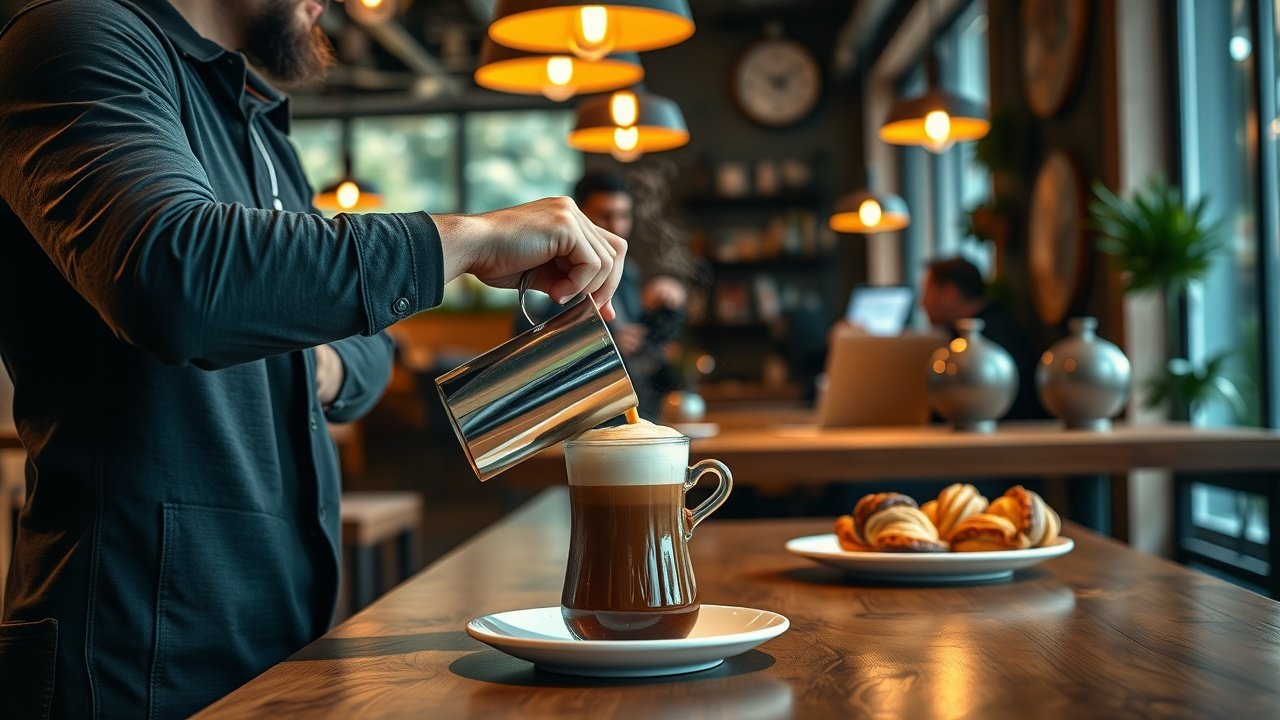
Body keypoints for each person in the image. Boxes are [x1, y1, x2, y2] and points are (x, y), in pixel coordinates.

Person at [0, 1, 627, 717]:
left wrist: (299, 352)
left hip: (281, 641)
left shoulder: (260, 124)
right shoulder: (75, 35)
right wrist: (470, 239)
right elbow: (177, 280)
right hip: (131, 654)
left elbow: (369, 358)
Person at [518, 172, 688, 421]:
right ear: (579, 216)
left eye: (623, 216)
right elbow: (527, 345)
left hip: (632, 412)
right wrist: (604, 343)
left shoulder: (627, 273)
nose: (616, 227)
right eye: (605, 215)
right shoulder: (550, 267)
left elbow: (644, 337)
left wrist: (670, 295)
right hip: (577, 418)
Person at [920, 257, 1046, 421]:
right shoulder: (994, 326)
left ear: (949, 292)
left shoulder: (992, 341)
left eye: (927, 293)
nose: (923, 303)